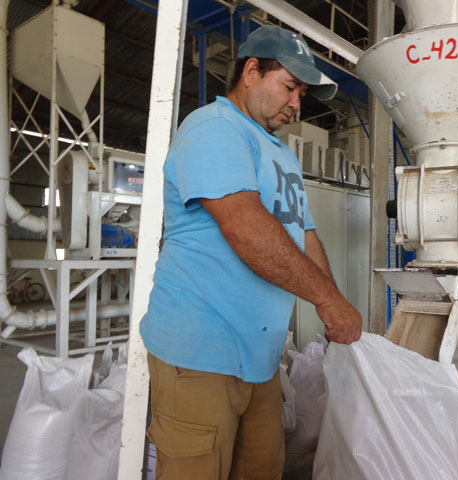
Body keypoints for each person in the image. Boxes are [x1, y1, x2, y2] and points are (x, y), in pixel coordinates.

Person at [139, 25, 362, 479]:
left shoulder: (280, 153)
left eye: (301, 93)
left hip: (260, 359)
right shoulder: (214, 129)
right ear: (251, 70)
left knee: (262, 468)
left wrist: (332, 301)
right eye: (289, 87)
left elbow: (306, 236)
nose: (297, 104)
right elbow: (245, 227)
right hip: (199, 355)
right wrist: (327, 300)